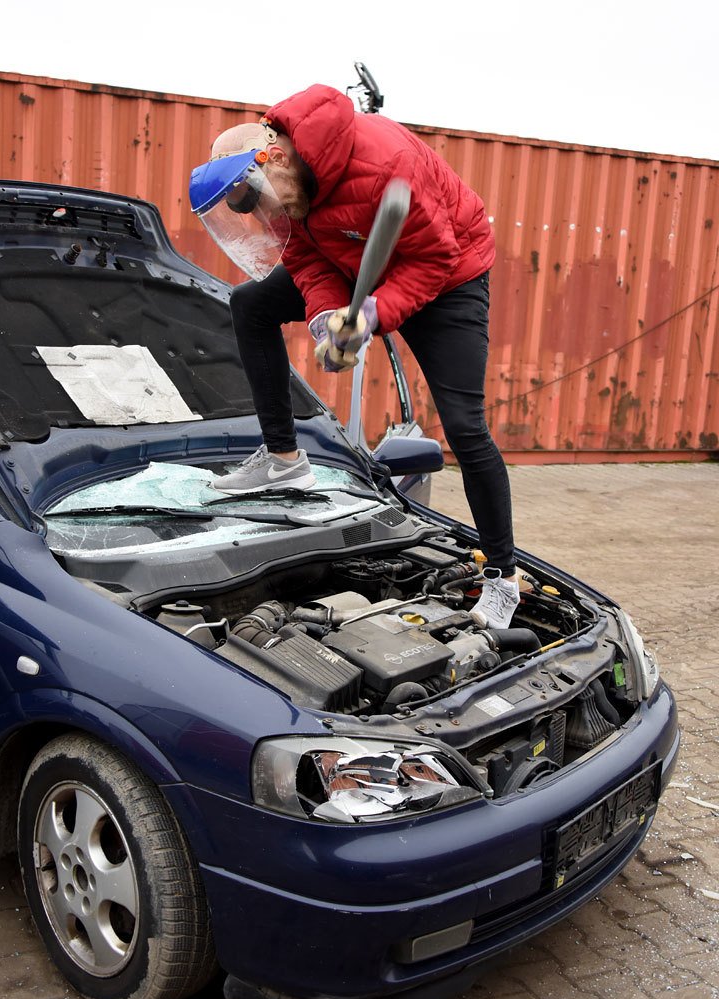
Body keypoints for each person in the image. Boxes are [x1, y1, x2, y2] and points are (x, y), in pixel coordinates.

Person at [189, 84, 520, 629]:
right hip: (350, 247)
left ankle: (504, 578)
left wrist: (366, 318)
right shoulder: (288, 190)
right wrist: (326, 321)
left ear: (273, 159)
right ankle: (284, 462)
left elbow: (432, 259)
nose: (270, 219)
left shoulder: (383, 164)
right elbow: (305, 259)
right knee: (252, 303)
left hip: (446, 270)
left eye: (264, 205)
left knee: (464, 426)